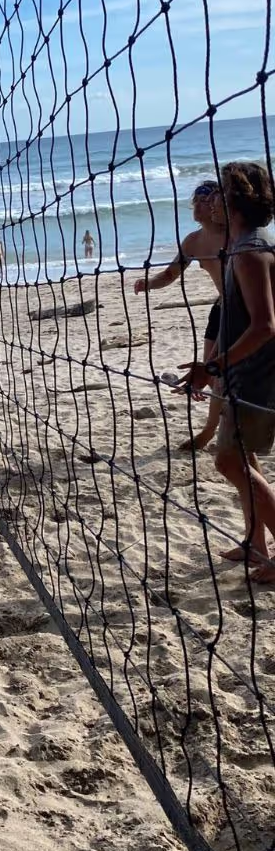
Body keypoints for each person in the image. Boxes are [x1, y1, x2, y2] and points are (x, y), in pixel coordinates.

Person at [176, 163, 275, 581]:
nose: (211, 198)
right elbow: (240, 320)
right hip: (244, 370)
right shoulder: (239, 247)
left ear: (235, 200)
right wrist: (212, 364)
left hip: (256, 373)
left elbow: (264, 326)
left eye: (219, 191)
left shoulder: (250, 251)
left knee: (228, 460)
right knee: (242, 455)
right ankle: (256, 541)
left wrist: (214, 365)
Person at [134, 181, 226, 451]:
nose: (197, 204)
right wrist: (148, 284)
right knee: (214, 374)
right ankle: (209, 430)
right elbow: (170, 274)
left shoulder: (235, 236)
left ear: (218, 205)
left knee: (219, 370)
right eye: (195, 199)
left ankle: (215, 430)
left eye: (205, 199)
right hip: (221, 308)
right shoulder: (193, 241)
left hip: (246, 308)